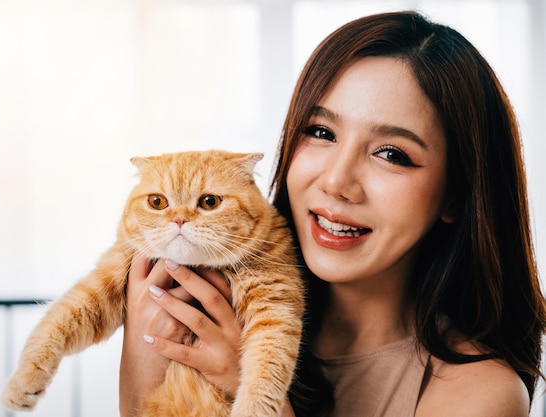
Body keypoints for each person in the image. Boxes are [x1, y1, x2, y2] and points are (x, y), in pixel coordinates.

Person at [119, 11, 546, 417]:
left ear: (456, 196)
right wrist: (141, 368)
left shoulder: (479, 392)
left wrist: (247, 384)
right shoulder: (194, 306)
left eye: (392, 154)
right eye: (321, 132)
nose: (336, 182)